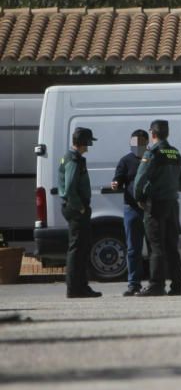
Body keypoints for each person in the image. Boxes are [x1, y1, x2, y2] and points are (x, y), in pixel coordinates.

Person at [133, 120, 181, 297]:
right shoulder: (175, 152)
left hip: (156, 204)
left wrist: (139, 197)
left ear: (153, 134)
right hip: (172, 204)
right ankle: (177, 285)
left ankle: (156, 284)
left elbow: (140, 178)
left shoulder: (152, 152)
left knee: (156, 246)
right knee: (172, 245)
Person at [59, 127, 101, 298]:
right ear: (84, 142)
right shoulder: (74, 160)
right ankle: (76, 288)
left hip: (74, 207)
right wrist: (80, 207)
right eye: (89, 142)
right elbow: (69, 188)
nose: (89, 146)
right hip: (76, 208)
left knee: (81, 248)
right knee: (78, 249)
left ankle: (80, 287)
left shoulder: (70, 157)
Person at [112, 129, 149, 296]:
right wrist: (116, 183)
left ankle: (155, 283)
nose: (137, 146)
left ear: (146, 142)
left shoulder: (151, 158)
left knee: (154, 248)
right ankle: (133, 284)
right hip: (132, 209)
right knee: (133, 248)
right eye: (134, 143)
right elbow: (119, 178)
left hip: (150, 209)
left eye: (140, 143)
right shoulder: (126, 160)